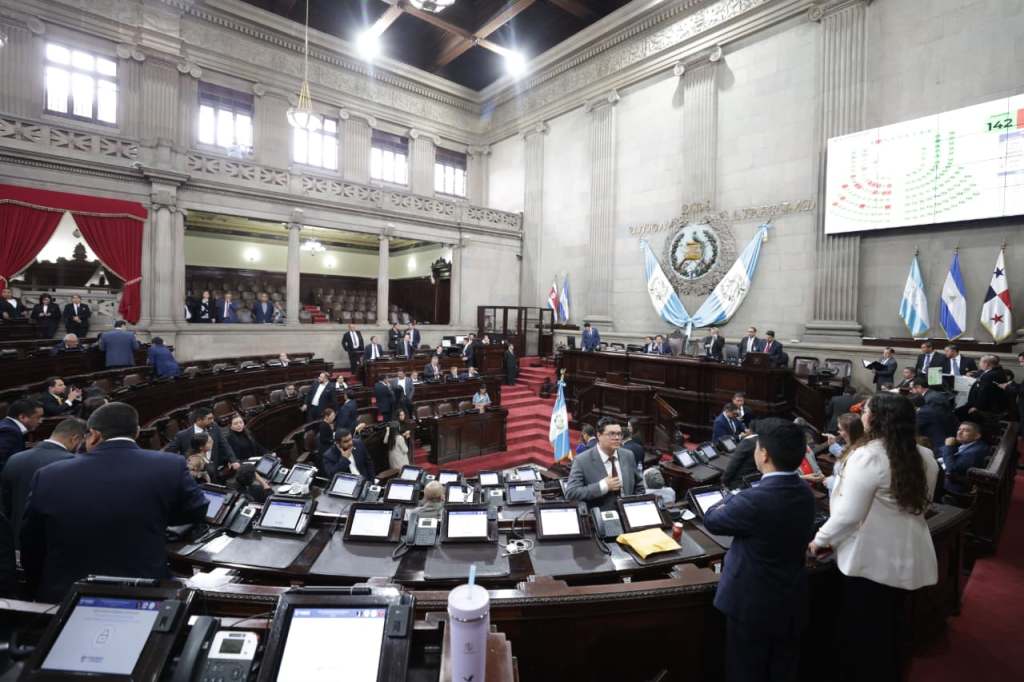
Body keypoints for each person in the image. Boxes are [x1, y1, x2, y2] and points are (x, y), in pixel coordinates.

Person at [20, 402, 209, 603]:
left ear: (93, 434)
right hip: (145, 591)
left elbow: (32, 541)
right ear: (136, 432)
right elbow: (197, 510)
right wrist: (157, 517)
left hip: (67, 595)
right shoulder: (169, 465)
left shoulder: (49, 475)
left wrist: (36, 586)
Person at [808, 393, 938, 682]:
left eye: (865, 411)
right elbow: (924, 504)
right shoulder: (925, 455)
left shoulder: (867, 456)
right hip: (911, 551)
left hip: (871, 558)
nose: (862, 415)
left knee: (863, 633)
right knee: (892, 626)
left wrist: (819, 540)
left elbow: (847, 514)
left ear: (876, 418)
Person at [703, 418, 816, 682]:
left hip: (752, 603)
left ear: (763, 454)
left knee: (745, 670)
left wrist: (733, 495)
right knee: (782, 668)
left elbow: (711, 518)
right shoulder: (804, 491)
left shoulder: (753, 500)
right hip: (791, 597)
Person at [2, 417, 86, 545]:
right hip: (52, 542)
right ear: (75, 439)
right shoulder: (73, 463)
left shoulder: (14, 459)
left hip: (14, 539)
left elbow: (5, 504)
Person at [564, 417, 642, 510]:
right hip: (600, 520)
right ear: (599, 435)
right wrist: (603, 486)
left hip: (629, 516)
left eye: (619, 434)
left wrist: (636, 506)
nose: (617, 438)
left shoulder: (628, 455)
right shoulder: (582, 460)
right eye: (611, 434)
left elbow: (639, 485)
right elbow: (571, 493)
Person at [168, 406, 239, 478]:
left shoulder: (214, 427)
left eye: (212, 418)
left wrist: (233, 460)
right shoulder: (182, 435)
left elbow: (224, 444)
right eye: (209, 419)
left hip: (215, 471)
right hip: (195, 475)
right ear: (199, 420)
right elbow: (170, 454)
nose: (212, 421)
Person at [821, 413, 865, 497]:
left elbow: (851, 484)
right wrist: (833, 444)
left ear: (848, 432)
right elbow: (845, 454)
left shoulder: (858, 452)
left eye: (840, 429)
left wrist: (830, 482)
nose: (838, 432)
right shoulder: (856, 444)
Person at [940, 422, 989, 496]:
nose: (959, 432)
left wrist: (948, 446)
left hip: (954, 489)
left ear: (977, 436)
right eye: (959, 429)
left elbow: (951, 469)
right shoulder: (977, 445)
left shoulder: (972, 453)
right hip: (959, 480)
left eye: (966, 430)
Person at [0, 399, 44, 470]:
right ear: (22, 417)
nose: (40, 421)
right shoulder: (9, 431)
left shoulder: (7, 425)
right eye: (38, 417)